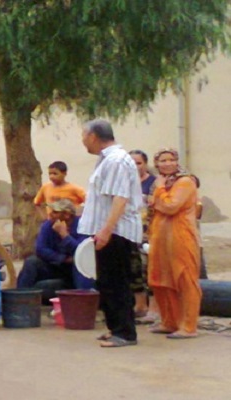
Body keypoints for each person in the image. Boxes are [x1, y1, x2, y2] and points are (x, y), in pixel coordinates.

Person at [78, 120, 143, 348]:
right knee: (106, 281)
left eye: (84, 136)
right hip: (106, 230)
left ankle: (125, 333)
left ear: (94, 136)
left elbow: (120, 198)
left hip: (117, 231)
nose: (83, 141)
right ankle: (115, 327)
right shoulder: (106, 160)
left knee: (117, 282)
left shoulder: (116, 161)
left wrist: (106, 230)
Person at [147, 149, 201, 339]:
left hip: (181, 237)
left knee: (184, 279)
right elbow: (152, 204)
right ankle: (169, 322)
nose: (168, 163)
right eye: (163, 160)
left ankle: (188, 326)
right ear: (157, 163)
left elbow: (171, 206)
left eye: (171, 160)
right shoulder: (160, 183)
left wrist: (160, 191)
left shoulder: (185, 182)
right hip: (160, 237)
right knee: (160, 279)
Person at [17, 199, 95, 290]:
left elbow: (81, 251)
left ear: (67, 215)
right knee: (31, 262)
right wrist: (62, 258)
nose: (50, 214)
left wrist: (65, 236)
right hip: (56, 265)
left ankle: (82, 295)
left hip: (74, 271)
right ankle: (21, 295)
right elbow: (40, 249)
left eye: (55, 212)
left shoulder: (82, 226)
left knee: (47, 286)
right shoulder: (48, 225)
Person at [128, 149, 159, 324]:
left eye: (138, 163)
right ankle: (140, 306)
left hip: (150, 233)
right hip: (130, 232)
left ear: (145, 164)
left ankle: (154, 308)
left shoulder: (154, 183)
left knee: (150, 270)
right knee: (134, 270)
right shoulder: (125, 182)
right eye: (131, 162)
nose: (135, 166)